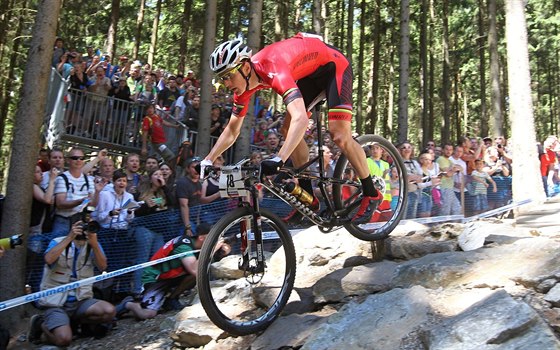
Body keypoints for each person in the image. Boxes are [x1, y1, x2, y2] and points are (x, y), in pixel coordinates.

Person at [203, 34, 382, 223]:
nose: (226, 84)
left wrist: (279, 158)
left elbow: (301, 119)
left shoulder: (272, 68)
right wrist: (208, 159)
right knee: (287, 129)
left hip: (334, 67)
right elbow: (232, 130)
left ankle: (371, 193)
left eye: (228, 76)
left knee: (339, 134)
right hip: (309, 73)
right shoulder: (243, 87)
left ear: (246, 67)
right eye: (221, 78)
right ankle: (307, 197)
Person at [27, 221, 115, 346]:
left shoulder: (92, 244)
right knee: (64, 340)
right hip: (55, 302)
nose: (84, 230)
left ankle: (74, 323)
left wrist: (94, 244)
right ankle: (40, 324)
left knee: (109, 311)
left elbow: (103, 266)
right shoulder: (58, 241)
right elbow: (48, 259)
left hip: (81, 299)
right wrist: (70, 237)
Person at [114, 223, 228, 318]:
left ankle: (171, 299)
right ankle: (129, 304)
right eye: (213, 237)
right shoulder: (184, 245)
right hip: (154, 279)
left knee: (198, 273)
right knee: (148, 314)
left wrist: (222, 252)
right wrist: (212, 249)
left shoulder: (197, 246)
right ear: (202, 238)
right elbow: (194, 269)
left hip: (170, 277)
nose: (216, 240)